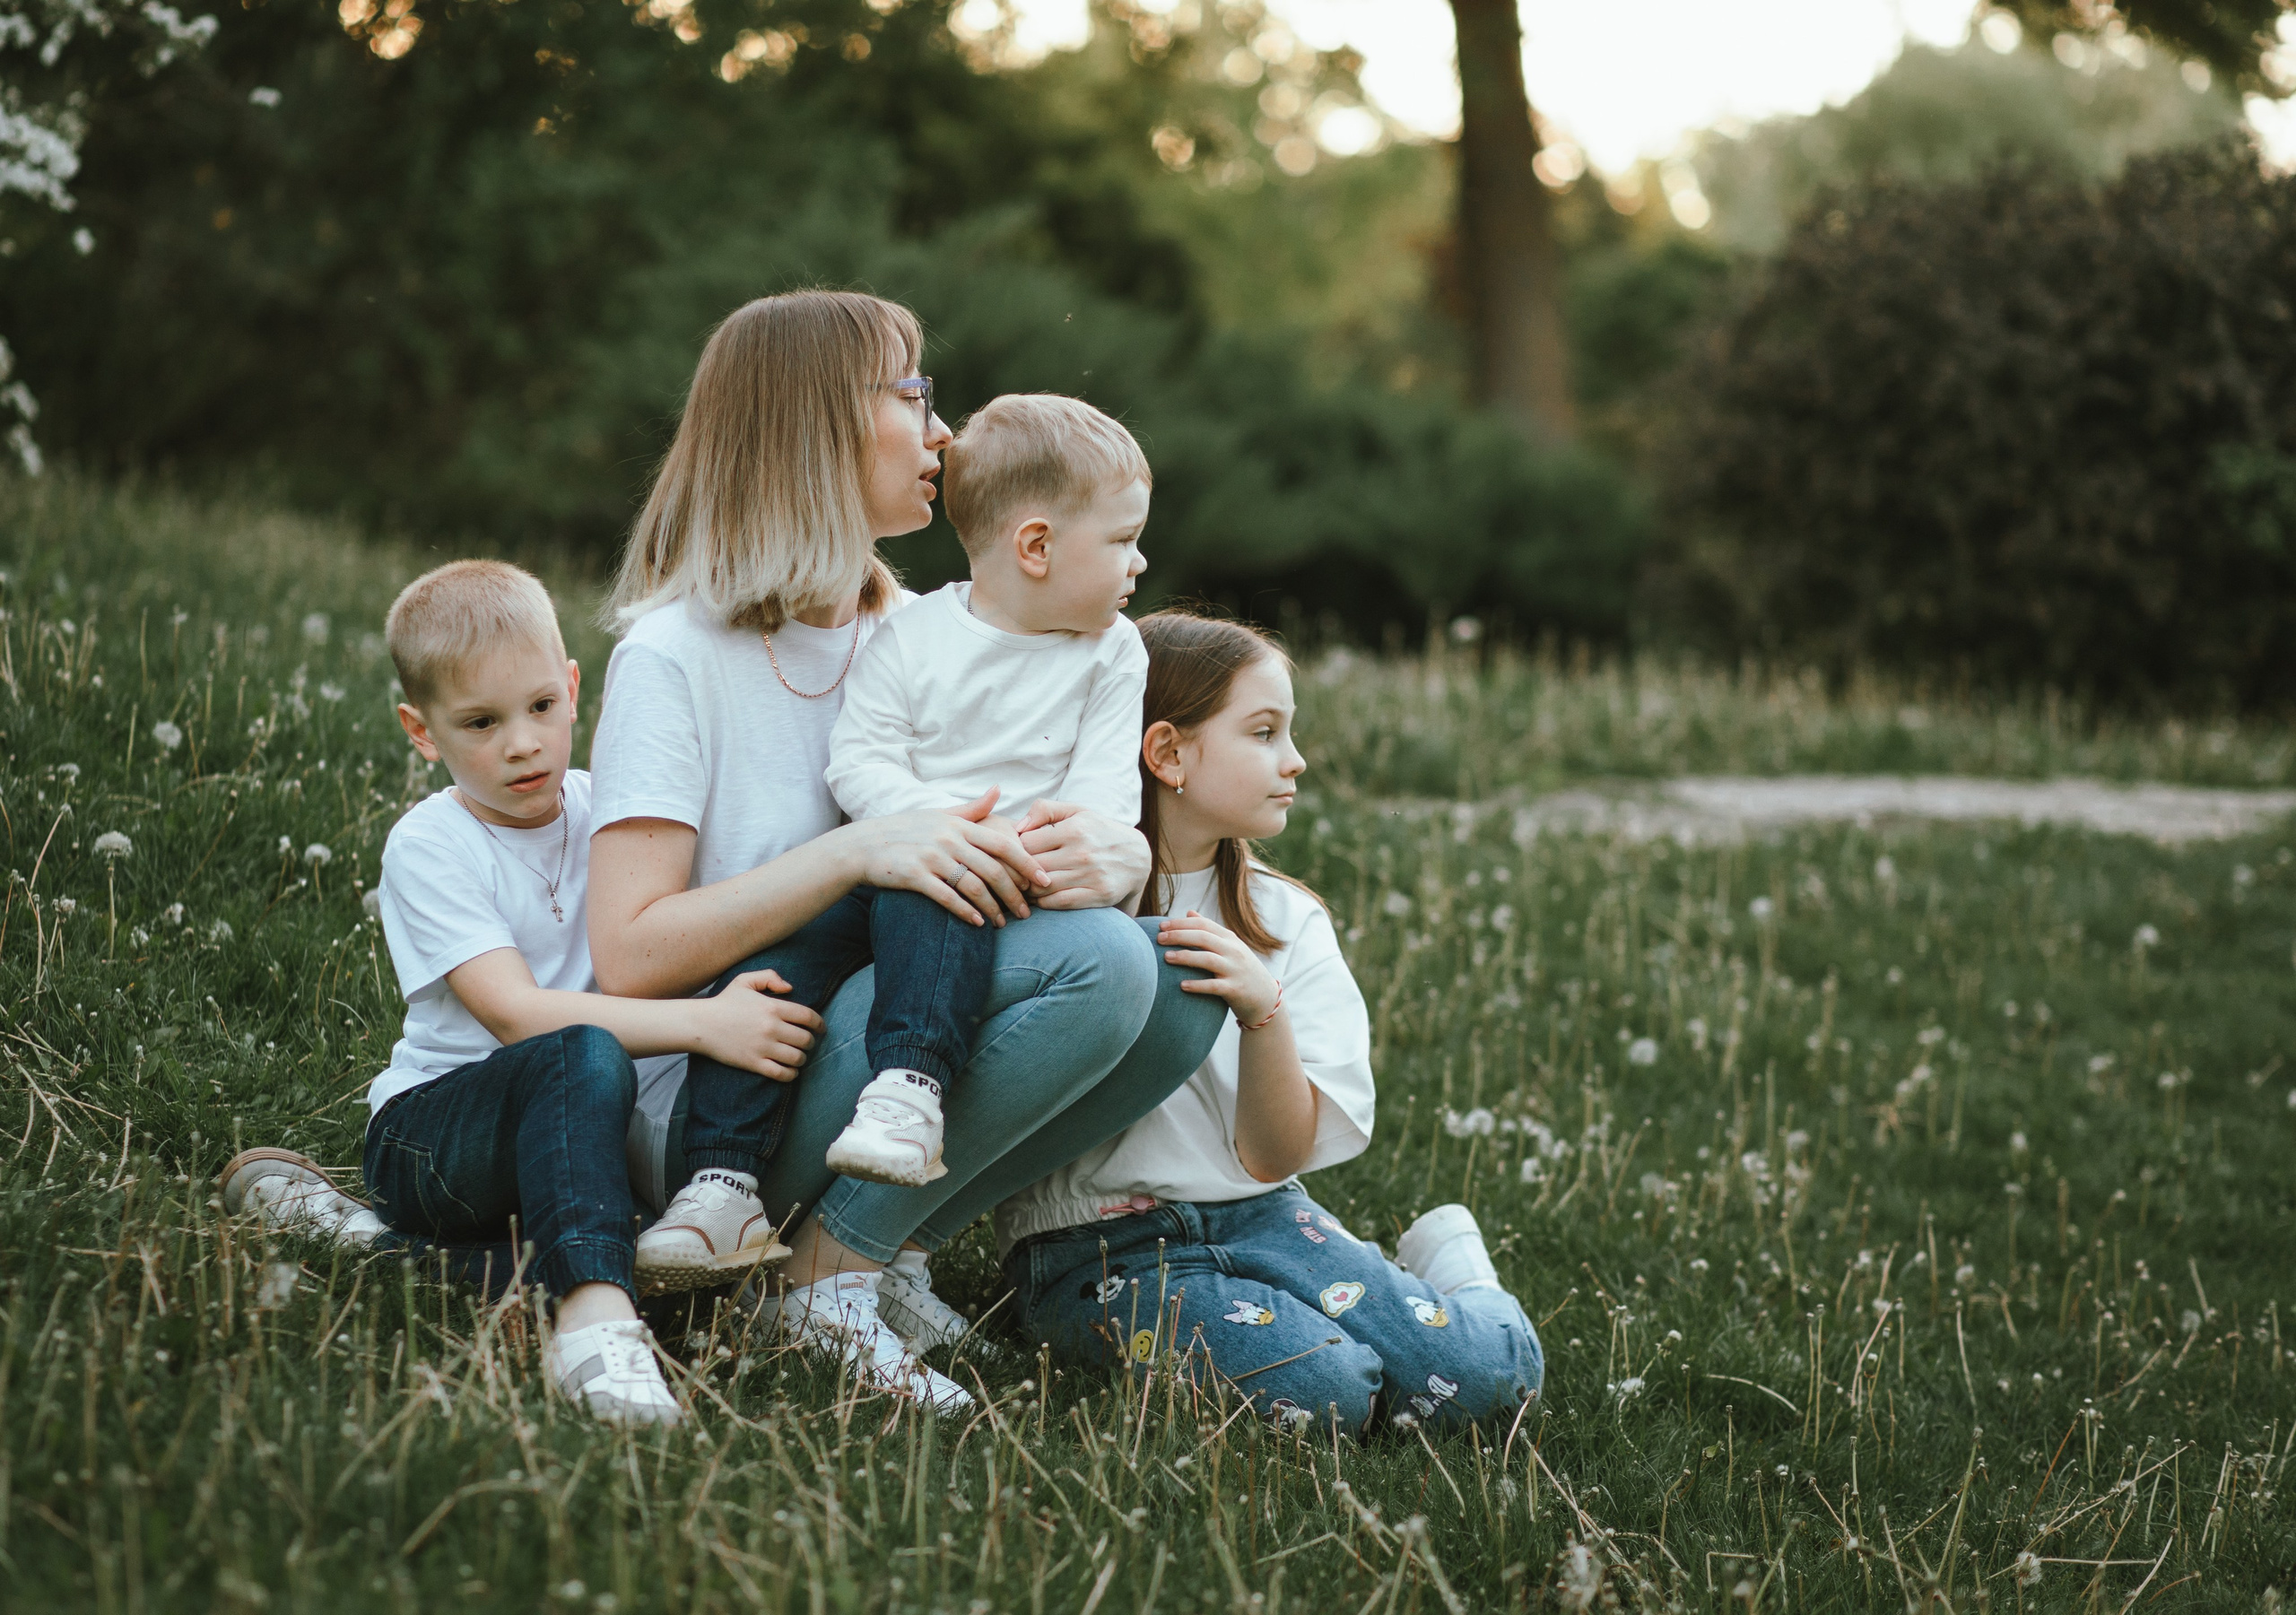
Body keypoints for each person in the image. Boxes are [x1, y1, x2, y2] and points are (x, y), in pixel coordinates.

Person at [584, 290, 1224, 1412]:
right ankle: (818, 1275)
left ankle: (885, 1244)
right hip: (724, 1088)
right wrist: (860, 852)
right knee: (1108, 966)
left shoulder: (927, 629)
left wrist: (1104, 862)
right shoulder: (674, 655)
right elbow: (631, 957)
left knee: (1179, 978)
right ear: (817, 425)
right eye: (914, 394)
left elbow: (1048, 832)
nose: (943, 432)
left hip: (883, 1042)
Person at [224, 560, 823, 1428]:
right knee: (578, 1051)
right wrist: (705, 1024)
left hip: (582, 1144)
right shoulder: (430, 844)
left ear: (574, 687)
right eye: (480, 722)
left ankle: (379, 1252)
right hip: (438, 1140)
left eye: (542, 706)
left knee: (659, 1251)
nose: (523, 743)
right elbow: (515, 1015)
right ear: (420, 731)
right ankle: (595, 1323)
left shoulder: (611, 813)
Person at [993, 611, 1546, 1435]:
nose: (1296, 760)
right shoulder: (1061, 909)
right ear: (1168, 752)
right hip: (1091, 1246)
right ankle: (1323, 1332)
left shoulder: (1288, 922)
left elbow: (1275, 1154)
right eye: (1264, 732)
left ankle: (1450, 1270)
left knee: (1480, 1383)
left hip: (1264, 1213)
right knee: (1326, 1393)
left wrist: (1264, 1012)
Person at [815, 393, 1152, 1187]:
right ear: (1034, 545)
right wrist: (937, 831)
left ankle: (911, 1091)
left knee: (953, 891)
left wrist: (1038, 848)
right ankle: (718, 1175)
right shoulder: (910, 636)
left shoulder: (1113, 651)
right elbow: (859, 760)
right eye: (1123, 540)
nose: (1139, 563)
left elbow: (1101, 801)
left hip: (1029, 887)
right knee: (813, 946)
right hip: (907, 878)